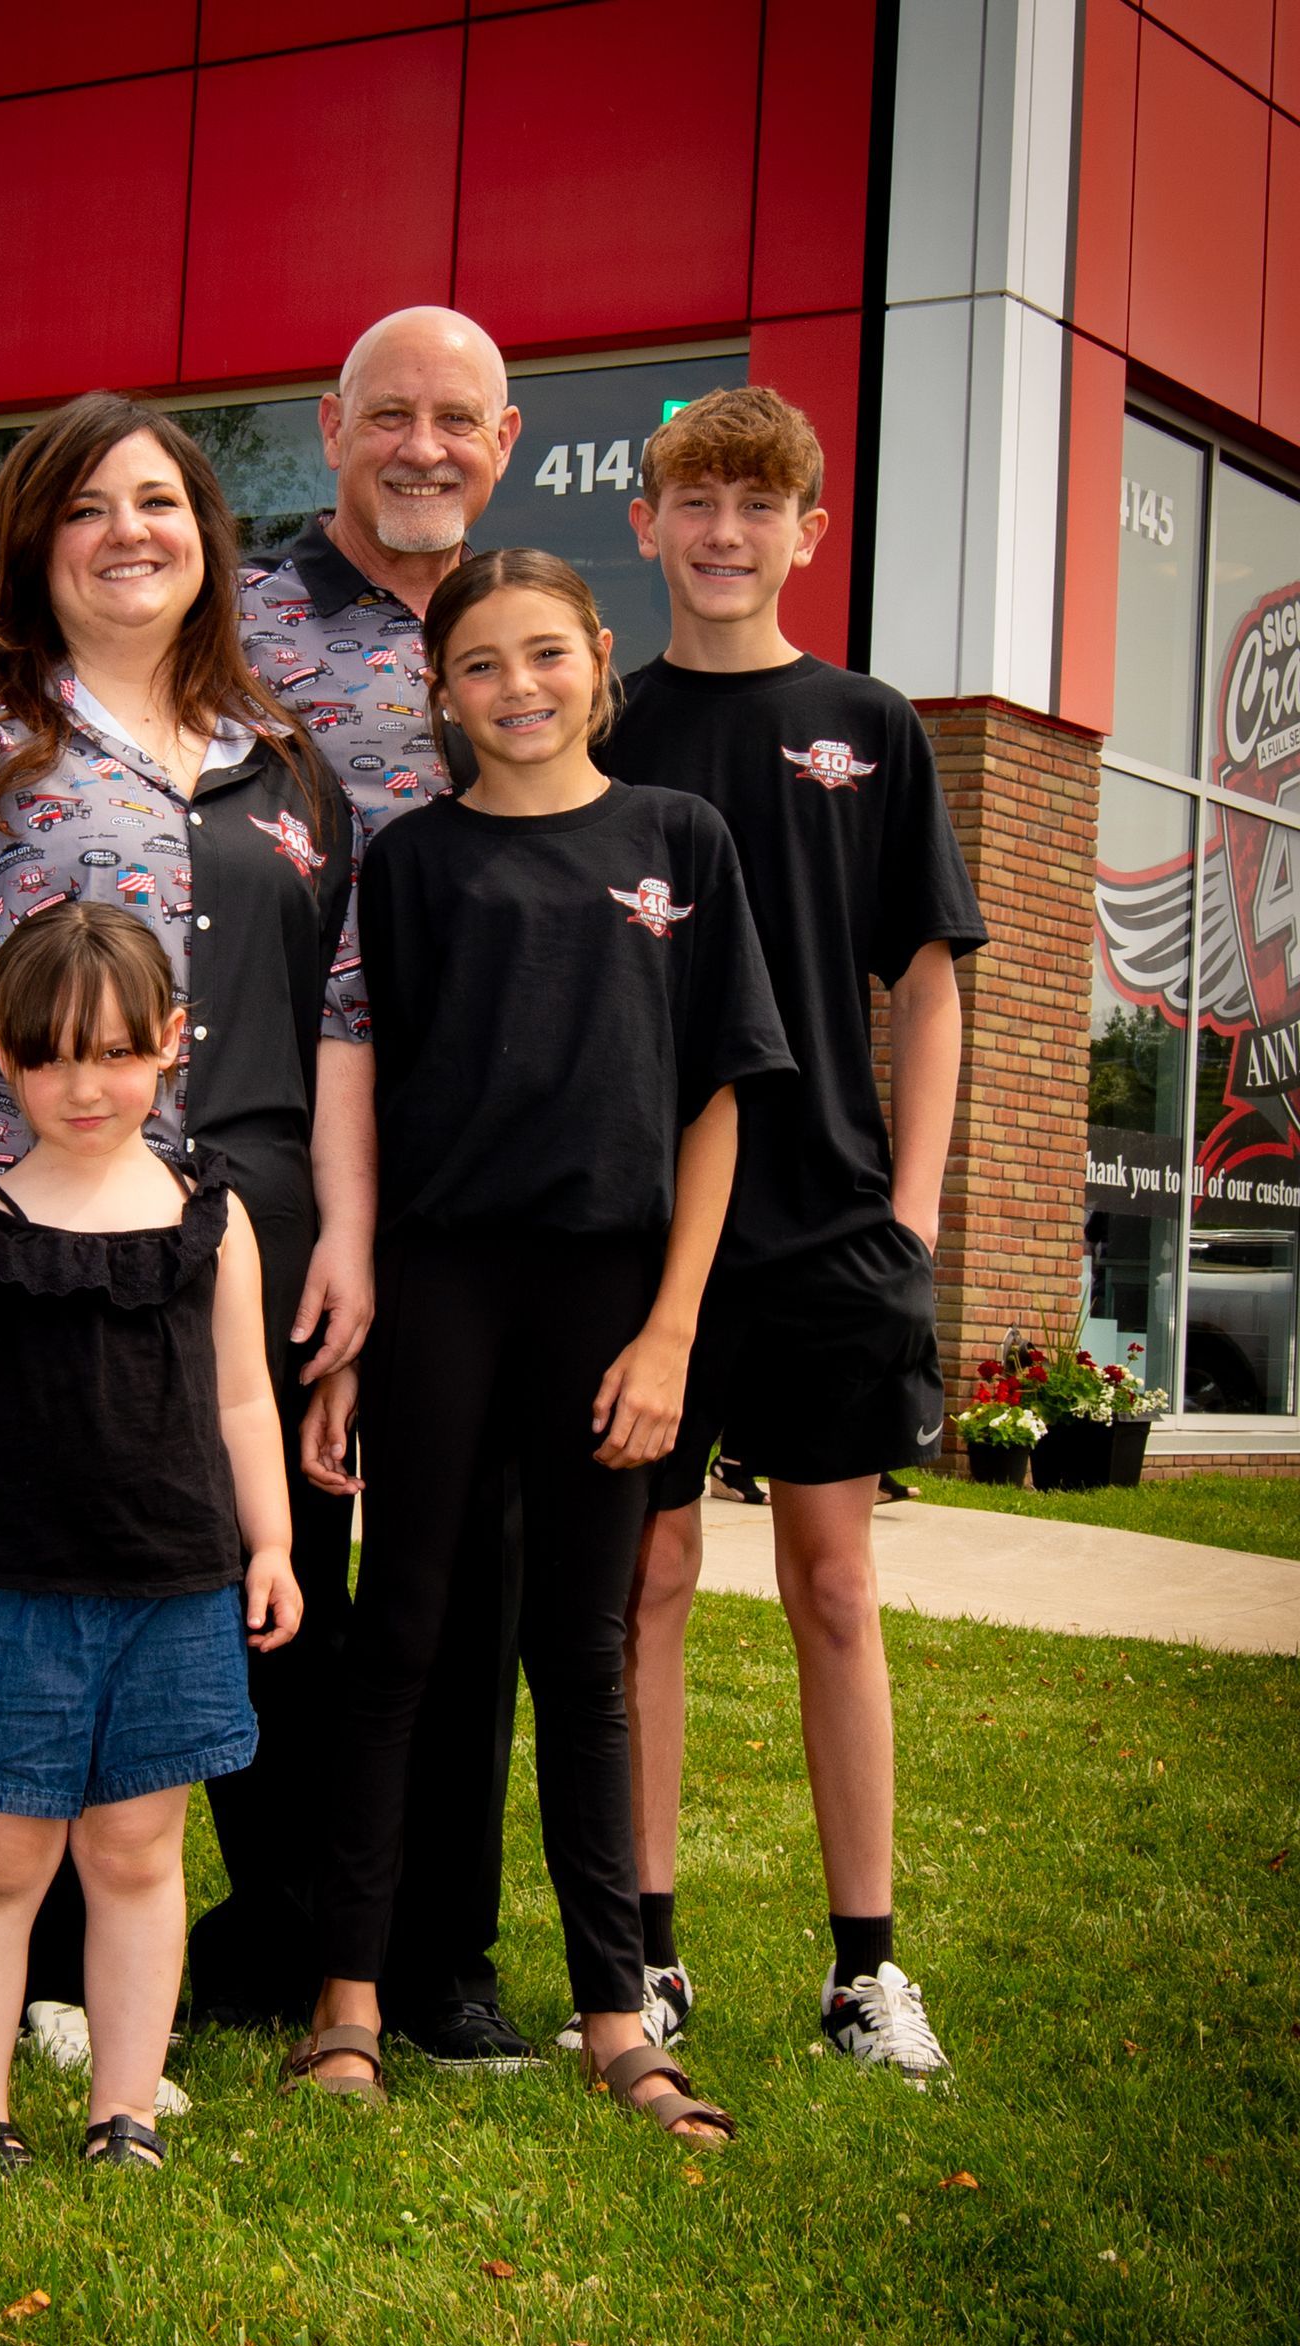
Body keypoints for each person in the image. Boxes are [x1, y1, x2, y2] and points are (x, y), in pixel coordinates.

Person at [0, 308, 548, 2073]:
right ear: (36, 541)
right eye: (91, 508)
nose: (132, 533)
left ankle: (49, 1986)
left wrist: (345, 1229)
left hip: (153, 1288)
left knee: (104, 1620)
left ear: (208, 543)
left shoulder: (274, 757)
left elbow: (335, 1008)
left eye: (165, 505)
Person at [293, 549, 791, 2141]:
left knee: (583, 1653)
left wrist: (669, 1332)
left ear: (600, 663)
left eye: (547, 655)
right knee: (404, 1637)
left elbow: (717, 1105)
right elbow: (365, 1079)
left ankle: (616, 2022)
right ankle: (348, 2004)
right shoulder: (414, 864)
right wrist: (362, 1320)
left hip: (610, 1296)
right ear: (440, 694)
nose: (519, 688)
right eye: (483, 666)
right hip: (444, 1282)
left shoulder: (679, 841)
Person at [594, 386, 987, 2081]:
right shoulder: (600, 722)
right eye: (698, 500)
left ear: (809, 535)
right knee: (652, 1581)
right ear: (649, 524)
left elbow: (932, 981)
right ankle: (648, 1953)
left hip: (830, 1227)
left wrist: (909, 1210)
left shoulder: (871, 726)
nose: (727, 532)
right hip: (643, 1233)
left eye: (762, 507)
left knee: (836, 1583)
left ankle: (864, 1972)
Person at [0, 903, 299, 2172]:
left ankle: (128, 2108)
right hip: (7, 1587)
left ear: (170, 1044)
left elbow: (241, 1398)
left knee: (135, 1849)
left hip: (172, 1586)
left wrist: (268, 1544)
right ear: (5, 1059)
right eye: (52, 1055)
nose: (85, 1084)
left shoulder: (209, 1218)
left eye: (116, 1052)